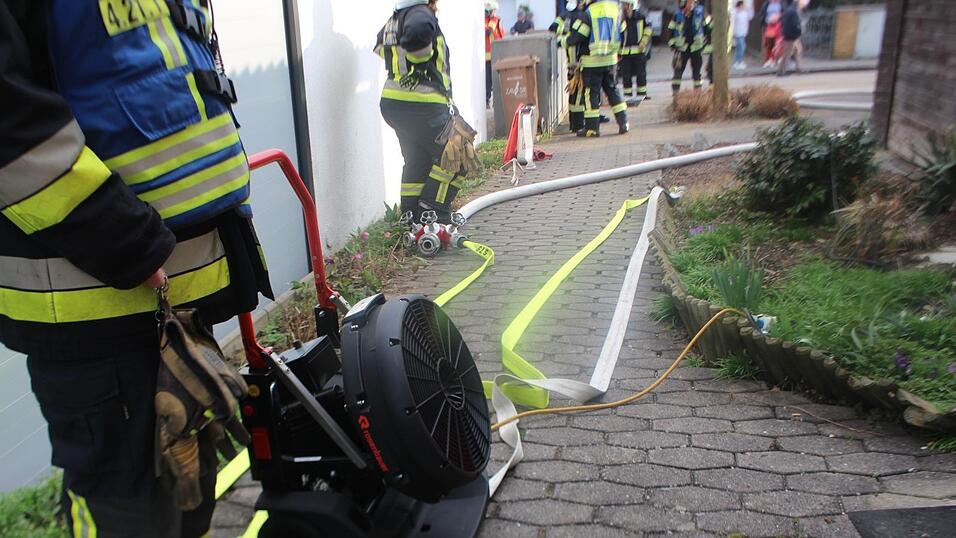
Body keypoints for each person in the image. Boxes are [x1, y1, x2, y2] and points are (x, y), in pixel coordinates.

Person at [0, 1, 272, 536]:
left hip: (176, 317)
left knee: (188, 502)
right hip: (96, 326)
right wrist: (125, 240)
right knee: (129, 516)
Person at [376, 0, 462, 224]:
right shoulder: (420, 14)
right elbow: (417, 34)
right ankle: (432, 211)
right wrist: (421, 63)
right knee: (459, 154)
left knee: (418, 160)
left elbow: (380, 49)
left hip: (396, 105)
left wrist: (405, 69)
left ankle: (410, 218)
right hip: (423, 105)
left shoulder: (394, 20)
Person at [567, 0, 629, 137]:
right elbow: (623, 33)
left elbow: (576, 37)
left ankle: (592, 129)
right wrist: (619, 53)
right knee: (613, 91)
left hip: (591, 62)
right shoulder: (616, 9)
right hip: (611, 60)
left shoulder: (589, 12)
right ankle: (624, 123)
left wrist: (564, 41)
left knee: (591, 94)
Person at [551, 1, 587, 131]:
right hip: (579, 62)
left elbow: (552, 29)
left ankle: (574, 124)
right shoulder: (583, 15)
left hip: (571, 62)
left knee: (574, 94)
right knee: (579, 94)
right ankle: (578, 125)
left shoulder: (563, 16)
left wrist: (565, 33)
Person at [668, 0, 707, 95]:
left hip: (696, 48)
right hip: (682, 49)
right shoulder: (677, 15)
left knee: (697, 73)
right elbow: (671, 30)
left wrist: (705, 42)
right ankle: (676, 94)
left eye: (693, 2)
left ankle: (698, 94)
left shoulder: (700, 13)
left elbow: (706, 28)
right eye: (689, 2)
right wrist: (673, 44)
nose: (691, 4)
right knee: (678, 72)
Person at [619, 0, 654, 103]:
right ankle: (627, 95)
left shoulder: (640, 17)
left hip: (639, 51)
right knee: (626, 75)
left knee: (641, 73)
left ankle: (642, 94)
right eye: (624, 4)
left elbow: (648, 29)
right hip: (625, 52)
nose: (624, 7)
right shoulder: (621, 19)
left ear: (631, 5)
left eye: (626, 4)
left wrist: (643, 42)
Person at [485, 1, 505, 107]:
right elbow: (489, 30)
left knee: (497, 80)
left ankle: (496, 102)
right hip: (488, 56)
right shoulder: (490, 20)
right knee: (488, 81)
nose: (495, 12)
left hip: (497, 55)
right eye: (493, 10)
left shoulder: (496, 20)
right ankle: (487, 101)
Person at [777, 0, 803, 76]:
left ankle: (799, 68)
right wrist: (798, 33)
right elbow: (796, 24)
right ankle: (781, 71)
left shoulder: (787, 11)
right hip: (792, 37)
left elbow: (782, 22)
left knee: (797, 52)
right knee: (787, 54)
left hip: (788, 35)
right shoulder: (793, 12)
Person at [760, 0, 782, 67]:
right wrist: (764, 21)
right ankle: (768, 60)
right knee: (768, 44)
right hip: (768, 25)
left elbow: (783, 13)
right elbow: (763, 13)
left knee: (776, 44)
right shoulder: (767, 3)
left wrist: (778, 17)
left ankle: (774, 59)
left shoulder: (781, 4)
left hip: (777, 26)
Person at [732, 1, 752, 69]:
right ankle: (738, 62)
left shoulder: (745, 13)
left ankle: (737, 62)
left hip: (743, 32)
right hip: (737, 32)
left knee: (739, 48)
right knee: (741, 47)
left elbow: (748, 19)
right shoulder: (735, 12)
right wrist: (733, 32)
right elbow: (733, 22)